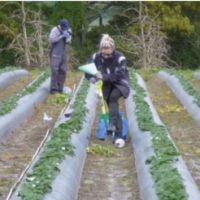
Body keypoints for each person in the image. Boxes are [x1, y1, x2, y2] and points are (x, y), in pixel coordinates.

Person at [85, 34, 130, 143]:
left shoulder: (120, 58)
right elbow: (87, 68)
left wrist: (103, 77)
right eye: (104, 52)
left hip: (120, 83)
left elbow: (119, 74)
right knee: (109, 103)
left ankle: (112, 126)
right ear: (101, 50)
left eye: (108, 52)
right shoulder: (96, 57)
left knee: (113, 97)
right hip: (106, 84)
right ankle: (117, 133)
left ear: (112, 49)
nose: (106, 55)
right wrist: (91, 78)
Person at [48, 18, 72, 94]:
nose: (65, 29)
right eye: (64, 28)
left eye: (66, 28)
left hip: (63, 52)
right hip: (55, 52)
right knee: (55, 70)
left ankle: (60, 88)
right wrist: (61, 36)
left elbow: (69, 41)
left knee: (63, 70)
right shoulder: (55, 30)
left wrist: (67, 37)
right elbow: (51, 40)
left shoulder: (68, 29)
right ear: (61, 26)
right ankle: (54, 89)